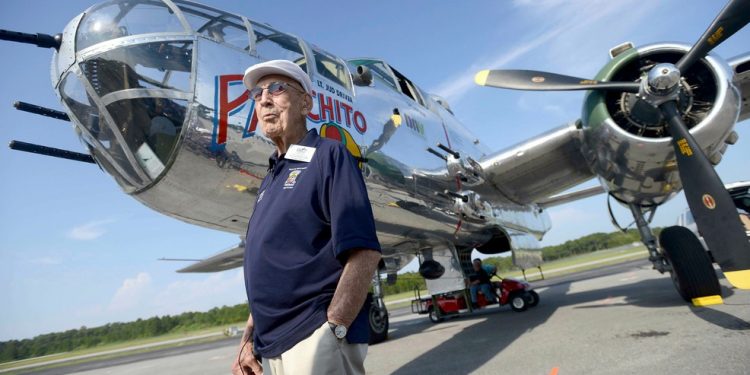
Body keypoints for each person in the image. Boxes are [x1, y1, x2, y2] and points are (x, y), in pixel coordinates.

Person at [231, 60, 382, 375]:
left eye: (277, 88)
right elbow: (267, 266)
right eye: (257, 95)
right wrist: (248, 340)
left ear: (306, 103)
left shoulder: (330, 155)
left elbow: (364, 250)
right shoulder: (271, 177)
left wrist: (334, 327)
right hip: (270, 346)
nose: (264, 99)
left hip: (312, 335)